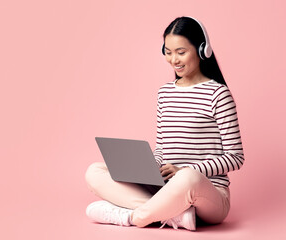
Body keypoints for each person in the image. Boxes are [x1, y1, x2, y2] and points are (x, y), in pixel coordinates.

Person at [84, 16, 244, 231]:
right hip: (164, 189)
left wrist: (185, 170)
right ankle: (176, 215)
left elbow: (235, 157)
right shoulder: (165, 93)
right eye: (168, 52)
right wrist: (150, 166)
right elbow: (162, 146)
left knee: (188, 177)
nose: (174, 60)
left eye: (181, 52)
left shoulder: (218, 94)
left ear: (202, 50)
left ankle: (133, 217)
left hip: (206, 192)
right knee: (95, 171)